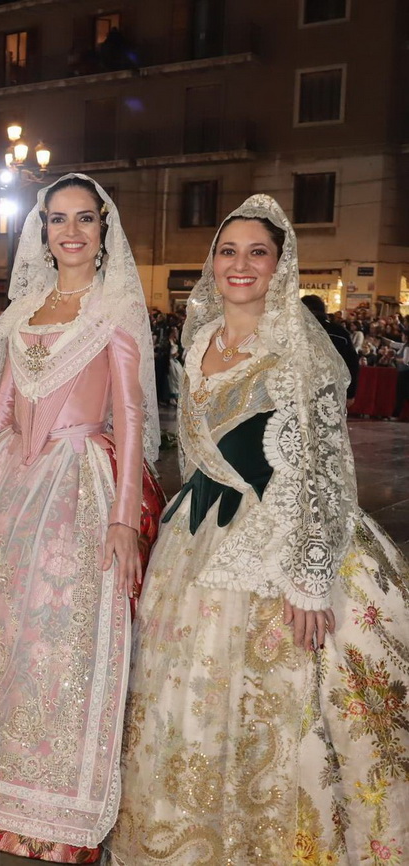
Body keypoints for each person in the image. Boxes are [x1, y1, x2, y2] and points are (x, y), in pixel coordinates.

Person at [111, 196, 409, 865]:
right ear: (212, 263)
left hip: (282, 543)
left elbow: (326, 470)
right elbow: (197, 455)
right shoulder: (198, 341)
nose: (239, 265)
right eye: (228, 251)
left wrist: (309, 579)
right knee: (185, 697)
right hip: (195, 540)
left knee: (276, 707)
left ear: (281, 266)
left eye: (257, 253)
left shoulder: (299, 350)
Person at [0, 174, 163, 862]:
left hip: (79, 486)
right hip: (11, 489)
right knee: (8, 636)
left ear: (104, 229)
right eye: (58, 219)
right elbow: (2, 407)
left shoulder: (115, 309)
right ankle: (2, 793)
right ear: (42, 230)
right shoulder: (25, 309)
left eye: (85, 219)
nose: (71, 231)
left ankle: (59, 807)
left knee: (65, 639)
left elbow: (130, 416)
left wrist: (123, 517)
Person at [301, 293, 359, 399]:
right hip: (332, 390)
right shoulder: (340, 332)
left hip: (302, 389)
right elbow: (352, 364)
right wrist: (350, 394)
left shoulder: (297, 332)